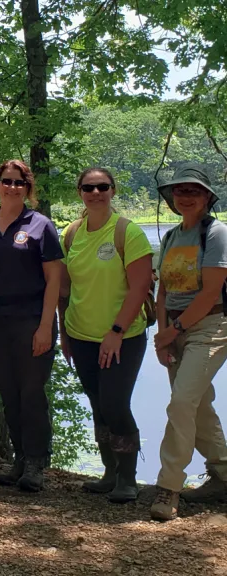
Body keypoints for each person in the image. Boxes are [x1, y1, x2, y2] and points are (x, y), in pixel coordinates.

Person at [58, 167, 153, 504]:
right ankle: (109, 472)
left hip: (123, 338)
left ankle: (128, 478)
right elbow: (64, 289)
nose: (95, 193)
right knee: (98, 404)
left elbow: (140, 287)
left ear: (113, 190)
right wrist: (64, 333)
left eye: (102, 187)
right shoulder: (71, 233)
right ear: (79, 192)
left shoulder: (128, 232)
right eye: (88, 187)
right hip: (80, 335)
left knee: (115, 403)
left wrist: (116, 331)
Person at [0, 160, 62, 492]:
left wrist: (45, 326)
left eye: (19, 182)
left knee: (31, 393)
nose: (12, 187)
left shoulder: (40, 225)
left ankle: (37, 462)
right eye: (7, 181)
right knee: (9, 394)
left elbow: (54, 280)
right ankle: (20, 459)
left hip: (32, 319)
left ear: (28, 188)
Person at [150, 164, 227, 521]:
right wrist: (163, 335)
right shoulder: (170, 237)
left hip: (210, 326)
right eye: (180, 190)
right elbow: (162, 292)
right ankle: (223, 474)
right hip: (175, 329)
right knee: (196, 405)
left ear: (207, 197)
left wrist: (175, 329)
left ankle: (168, 487)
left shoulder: (217, 233)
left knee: (181, 401)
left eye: (194, 191)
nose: (186, 196)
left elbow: (211, 292)